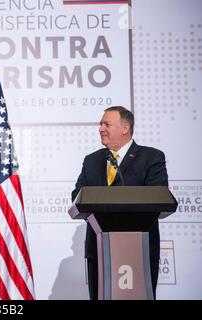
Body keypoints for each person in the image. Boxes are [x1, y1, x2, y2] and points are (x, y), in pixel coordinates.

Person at [71, 106, 168, 300]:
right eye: (100, 124)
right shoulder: (91, 160)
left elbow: (158, 196)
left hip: (140, 248)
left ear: (125, 128)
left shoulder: (151, 157)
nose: (100, 128)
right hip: (99, 249)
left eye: (106, 124)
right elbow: (77, 196)